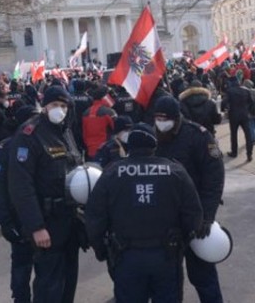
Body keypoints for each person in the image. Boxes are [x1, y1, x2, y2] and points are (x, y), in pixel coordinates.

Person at [86, 123, 203, 303]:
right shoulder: (175, 171)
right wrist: (183, 243)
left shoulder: (112, 172)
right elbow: (193, 214)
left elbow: (95, 216)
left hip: (126, 255)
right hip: (166, 254)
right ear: (154, 145)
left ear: (129, 145)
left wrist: (101, 250)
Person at [8, 86, 85, 303]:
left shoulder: (65, 130)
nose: (59, 110)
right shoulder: (29, 134)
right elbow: (21, 186)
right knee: (49, 286)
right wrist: (36, 227)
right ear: (44, 105)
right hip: (47, 223)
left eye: (63, 106)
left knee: (69, 281)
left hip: (69, 219)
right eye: (54, 105)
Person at [152, 96, 225, 303]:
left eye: (165, 118)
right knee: (168, 282)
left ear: (176, 118)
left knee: (203, 275)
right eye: (157, 117)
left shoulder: (198, 136)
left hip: (195, 219)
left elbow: (214, 179)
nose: (160, 122)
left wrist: (207, 216)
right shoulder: (152, 136)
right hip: (164, 222)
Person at [0, 105, 39, 303]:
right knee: (21, 269)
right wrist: (6, 223)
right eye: (33, 120)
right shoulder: (7, 148)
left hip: (44, 219)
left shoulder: (46, 142)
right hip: (19, 222)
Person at [81, 86, 116, 160]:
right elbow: (116, 130)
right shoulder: (110, 112)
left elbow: (84, 133)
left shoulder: (86, 112)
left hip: (90, 150)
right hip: (107, 150)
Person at [223, 76, 253, 160]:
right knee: (248, 134)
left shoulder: (229, 91)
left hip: (233, 114)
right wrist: (248, 110)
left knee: (234, 134)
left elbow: (224, 102)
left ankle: (234, 152)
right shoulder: (246, 90)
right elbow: (251, 102)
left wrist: (224, 109)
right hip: (244, 114)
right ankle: (249, 154)